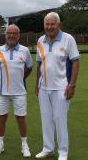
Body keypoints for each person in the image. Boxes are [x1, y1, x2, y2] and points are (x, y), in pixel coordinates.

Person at [35, 12, 79, 160]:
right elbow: (39, 64)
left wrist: (71, 85)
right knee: (46, 119)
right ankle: (48, 148)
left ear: (59, 25)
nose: (49, 27)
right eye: (47, 24)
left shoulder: (68, 39)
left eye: (52, 24)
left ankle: (63, 152)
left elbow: (75, 62)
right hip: (44, 87)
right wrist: (37, 85)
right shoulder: (41, 40)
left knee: (60, 119)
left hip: (61, 86)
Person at [0, 24, 33, 157]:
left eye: (14, 33)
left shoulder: (25, 50)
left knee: (21, 118)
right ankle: (0, 144)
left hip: (19, 92)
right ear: (5, 35)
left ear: (18, 35)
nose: (12, 35)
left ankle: (24, 145)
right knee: (2, 118)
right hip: (2, 92)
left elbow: (29, 68)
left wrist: (19, 79)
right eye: (9, 33)